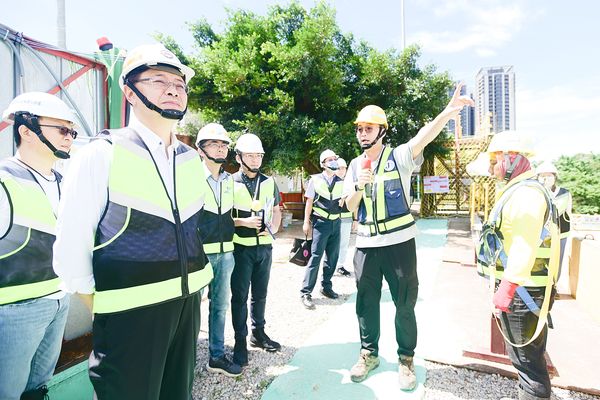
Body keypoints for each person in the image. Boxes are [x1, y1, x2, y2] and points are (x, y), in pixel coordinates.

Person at [53, 44, 213, 400]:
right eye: (158, 79)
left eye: (180, 83)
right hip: (128, 321)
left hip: (186, 314)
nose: (173, 89)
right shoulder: (100, 155)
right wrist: (109, 313)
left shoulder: (190, 161)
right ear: (129, 91)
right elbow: (70, 254)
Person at [343, 86, 473, 389]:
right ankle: (368, 354)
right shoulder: (353, 165)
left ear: (381, 131)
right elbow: (350, 206)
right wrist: (360, 186)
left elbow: (424, 136)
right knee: (365, 303)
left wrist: (447, 112)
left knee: (404, 303)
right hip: (365, 245)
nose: (362, 133)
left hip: (399, 245)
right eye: (360, 128)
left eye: (368, 128)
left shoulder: (399, 156)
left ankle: (405, 359)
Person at [0, 92, 76, 400]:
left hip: (60, 301)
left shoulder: (64, 181)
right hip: (16, 310)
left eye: (72, 131)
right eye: (62, 129)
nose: (69, 137)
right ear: (27, 130)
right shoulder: (5, 180)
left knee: (38, 388)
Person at [477, 131, 559, 400]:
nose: (491, 168)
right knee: (528, 359)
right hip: (526, 292)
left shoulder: (526, 195)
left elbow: (524, 245)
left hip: (523, 294)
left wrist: (506, 290)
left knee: (528, 365)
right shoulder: (521, 191)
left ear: (512, 158)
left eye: (494, 160)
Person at [230, 133, 282, 367]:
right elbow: (220, 217)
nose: (255, 159)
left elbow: (278, 210)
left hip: (264, 249)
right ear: (239, 157)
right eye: (250, 155)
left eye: (258, 155)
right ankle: (240, 342)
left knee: (260, 294)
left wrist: (273, 227)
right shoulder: (229, 182)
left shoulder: (269, 182)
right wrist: (243, 223)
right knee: (239, 297)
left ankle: (257, 334)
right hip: (240, 249)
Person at [195, 123, 242, 377]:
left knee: (220, 306)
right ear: (201, 150)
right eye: (214, 144)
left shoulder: (228, 181)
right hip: (198, 255)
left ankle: (216, 356)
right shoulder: (190, 178)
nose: (221, 148)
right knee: (190, 311)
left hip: (226, 254)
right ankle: (182, 360)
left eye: (224, 144)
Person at [300, 149, 343, 310]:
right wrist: (306, 222)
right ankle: (305, 292)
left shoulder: (340, 181)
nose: (333, 161)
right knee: (316, 257)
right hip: (320, 223)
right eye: (329, 159)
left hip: (336, 223)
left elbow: (344, 200)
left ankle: (326, 287)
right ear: (323, 164)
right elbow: (309, 202)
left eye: (335, 159)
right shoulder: (315, 180)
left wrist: (353, 219)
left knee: (332, 257)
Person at [537, 161, 572, 268]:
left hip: (561, 235)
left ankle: (554, 284)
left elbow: (569, 214)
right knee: (538, 262)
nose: (546, 178)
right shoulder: (536, 192)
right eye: (542, 175)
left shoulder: (565, 193)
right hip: (540, 235)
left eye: (549, 175)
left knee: (557, 263)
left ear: (555, 177)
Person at [335, 157, 353, 277]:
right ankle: (330, 265)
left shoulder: (350, 183)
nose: (342, 170)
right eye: (339, 168)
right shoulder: (331, 182)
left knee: (344, 243)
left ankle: (340, 265)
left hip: (347, 217)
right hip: (333, 218)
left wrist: (355, 219)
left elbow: (355, 202)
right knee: (332, 243)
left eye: (344, 168)